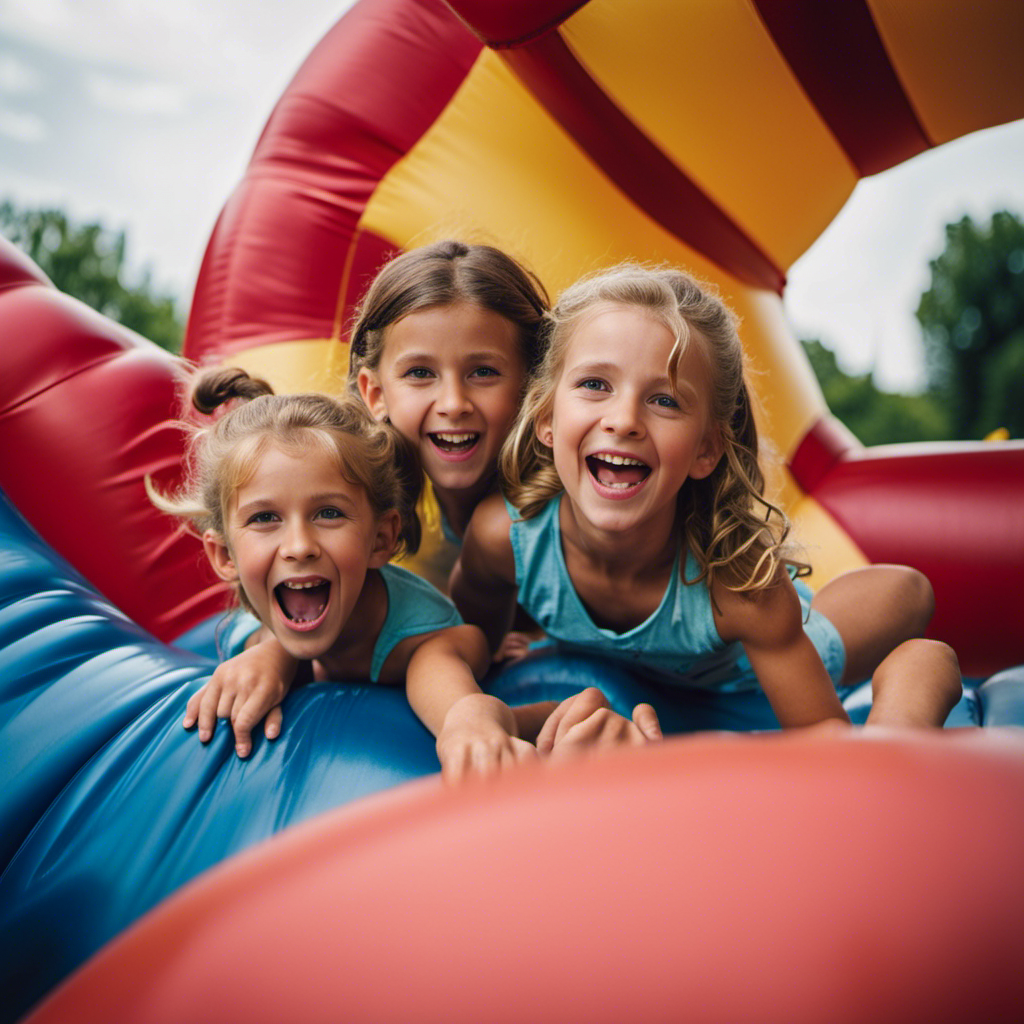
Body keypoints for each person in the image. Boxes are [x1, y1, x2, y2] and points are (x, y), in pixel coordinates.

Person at [450, 263, 964, 731]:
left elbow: (821, 737)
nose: (624, 419)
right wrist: (494, 656)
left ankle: (906, 660)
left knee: (907, 590)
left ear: (706, 449)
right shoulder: (506, 538)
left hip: (745, 684)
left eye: (664, 400)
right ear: (545, 419)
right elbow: (471, 637)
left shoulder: (740, 586)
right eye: (594, 385)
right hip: (641, 678)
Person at [147, 367, 542, 781]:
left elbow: (458, 709)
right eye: (265, 518)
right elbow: (260, 639)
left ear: (380, 539)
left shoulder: (419, 648)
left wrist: (472, 724)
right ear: (224, 553)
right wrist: (270, 654)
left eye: (329, 513)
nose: (299, 546)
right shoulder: (272, 613)